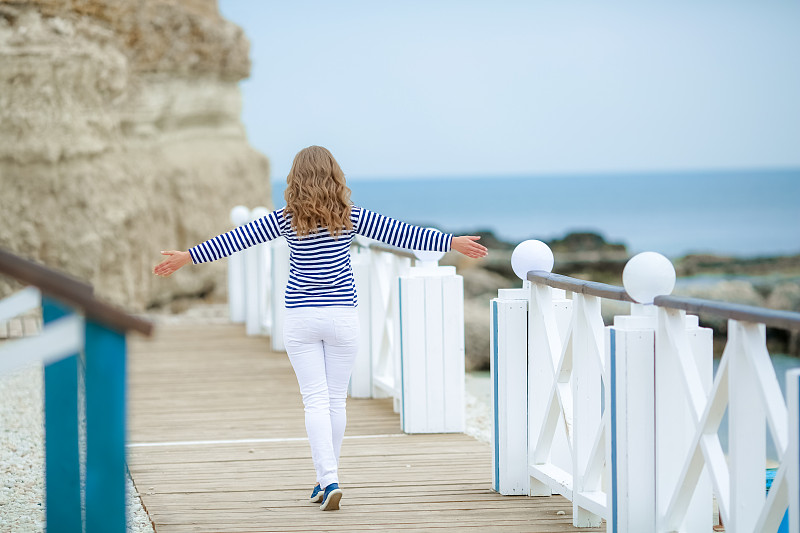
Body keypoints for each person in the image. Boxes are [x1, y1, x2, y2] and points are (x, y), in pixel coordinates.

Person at [153, 145, 487, 511]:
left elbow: (236, 239)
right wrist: (451, 242)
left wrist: (187, 257)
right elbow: (403, 234)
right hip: (342, 317)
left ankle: (328, 479)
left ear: (294, 179)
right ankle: (328, 477)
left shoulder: (285, 219)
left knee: (315, 401)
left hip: (302, 318)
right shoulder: (351, 217)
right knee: (335, 401)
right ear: (335, 177)